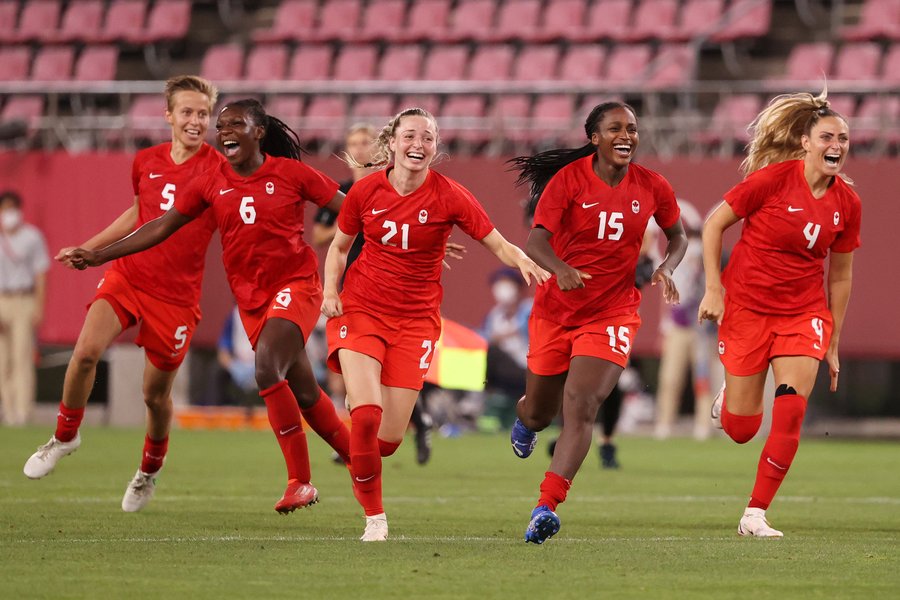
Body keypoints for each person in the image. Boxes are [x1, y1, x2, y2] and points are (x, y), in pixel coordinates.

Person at [58, 99, 354, 516]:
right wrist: (100, 254)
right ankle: (360, 459)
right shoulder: (210, 182)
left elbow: (353, 210)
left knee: (267, 368)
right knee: (304, 389)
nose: (225, 131)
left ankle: (300, 481)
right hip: (251, 298)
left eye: (237, 124)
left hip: (296, 286)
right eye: (222, 125)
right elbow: (159, 225)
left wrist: (406, 238)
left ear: (259, 131)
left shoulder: (293, 174)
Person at [321, 107, 550, 542]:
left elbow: (496, 241)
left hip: (414, 323)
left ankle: (360, 443)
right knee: (367, 416)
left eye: (427, 138)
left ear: (436, 147)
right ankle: (375, 519)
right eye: (409, 136)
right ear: (392, 143)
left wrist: (523, 260)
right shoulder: (365, 191)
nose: (417, 145)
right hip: (361, 310)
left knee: (385, 442)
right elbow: (338, 247)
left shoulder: (450, 195)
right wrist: (331, 291)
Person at [21, 76, 224, 513]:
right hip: (129, 277)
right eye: (187, 112)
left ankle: (149, 469)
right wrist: (91, 249)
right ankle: (64, 435)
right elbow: (138, 213)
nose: (195, 121)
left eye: (203, 113)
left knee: (154, 396)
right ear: (168, 115)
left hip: (176, 298)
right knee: (86, 352)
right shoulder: (146, 160)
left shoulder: (217, 170)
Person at [507, 101, 687, 544]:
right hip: (555, 311)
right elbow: (535, 241)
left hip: (612, 311)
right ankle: (525, 421)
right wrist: (562, 268)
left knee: (582, 405)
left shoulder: (653, 185)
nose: (626, 135)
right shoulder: (568, 180)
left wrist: (665, 267)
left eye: (632, 129)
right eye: (615, 128)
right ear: (594, 137)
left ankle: (545, 506)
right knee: (541, 410)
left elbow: (679, 235)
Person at [698, 89, 860, 538]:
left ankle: (755, 514)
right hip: (748, 309)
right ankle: (731, 395)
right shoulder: (771, 180)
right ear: (806, 142)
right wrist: (715, 288)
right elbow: (714, 224)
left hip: (803, 313)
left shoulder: (847, 203)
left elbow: (841, 276)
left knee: (790, 410)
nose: (838, 145)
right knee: (741, 429)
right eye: (828, 136)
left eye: (844, 138)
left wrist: (832, 341)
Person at [654, 199, 723, 441]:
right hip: (679, 326)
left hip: (701, 329)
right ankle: (664, 422)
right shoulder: (678, 257)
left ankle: (704, 425)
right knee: (670, 378)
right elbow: (670, 291)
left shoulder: (708, 258)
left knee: (702, 379)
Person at [0, 189, 49, 426]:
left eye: (12, 208)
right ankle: (8, 413)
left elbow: (40, 273)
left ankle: (22, 413)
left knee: (22, 357)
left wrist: (39, 307)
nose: (9, 213)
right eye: (4, 208)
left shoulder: (32, 236)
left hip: (23, 299)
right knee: (2, 360)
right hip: (2, 299)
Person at [480, 267, 532, 429]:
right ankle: (479, 405)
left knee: (493, 351)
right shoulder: (494, 315)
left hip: (527, 368)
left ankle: (478, 403)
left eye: (506, 284)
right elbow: (483, 339)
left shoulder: (529, 309)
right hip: (502, 371)